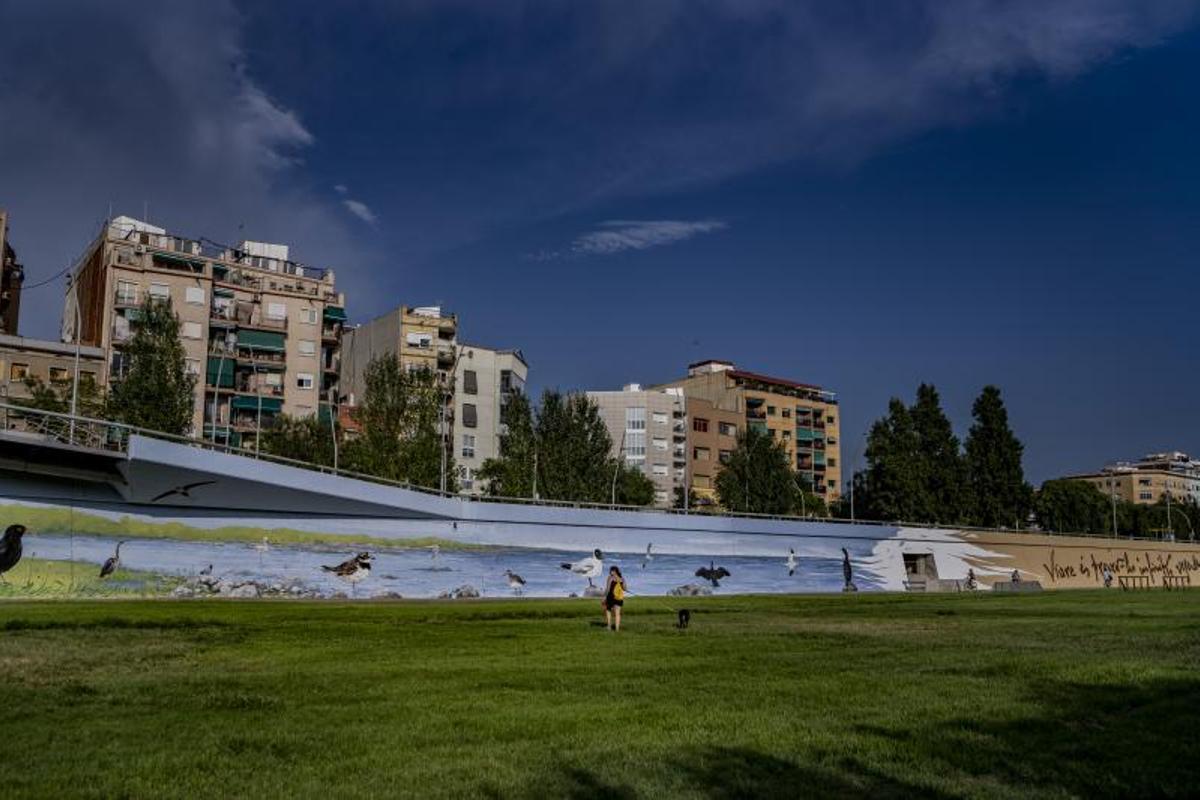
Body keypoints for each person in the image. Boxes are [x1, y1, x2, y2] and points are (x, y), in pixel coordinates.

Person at [602, 566, 627, 632]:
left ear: (614, 571)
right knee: (617, 613)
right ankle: (617, 629)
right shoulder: (622, 578)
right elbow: (625, 589)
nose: (610, 572)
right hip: (619, 598)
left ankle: (609, 626)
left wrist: (604, 597)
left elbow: (607, 589)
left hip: (611, 597)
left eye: (611, 571)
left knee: (608, 611)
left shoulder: (610, 578)